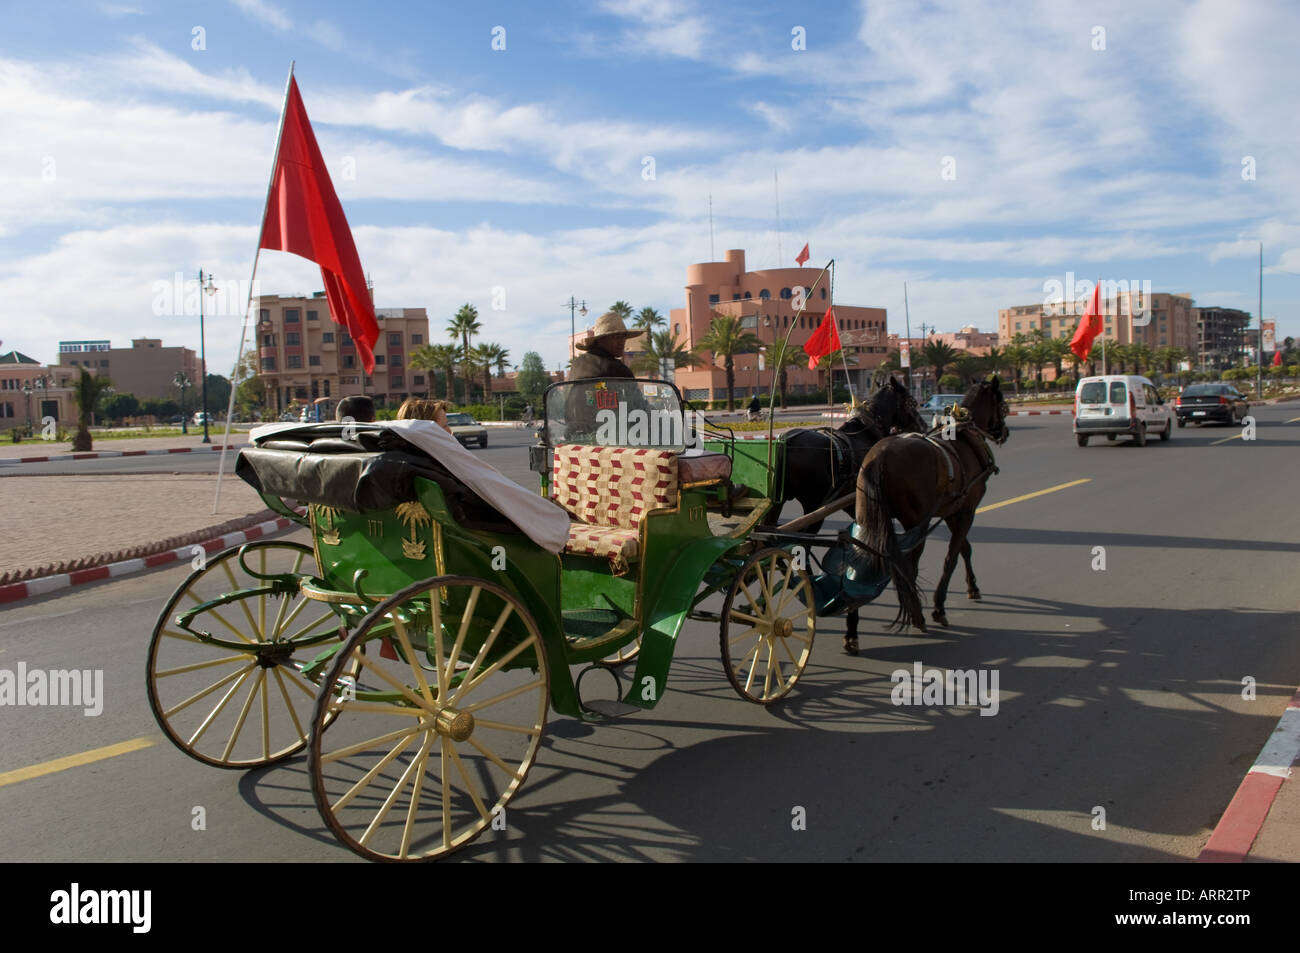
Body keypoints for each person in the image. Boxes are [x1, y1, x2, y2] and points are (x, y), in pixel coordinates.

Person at [569, 312, 638, 380]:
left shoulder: (577, 363)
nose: (621, 342)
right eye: (616, 337)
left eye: (623, 336)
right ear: (601, 340)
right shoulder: (616, 368)